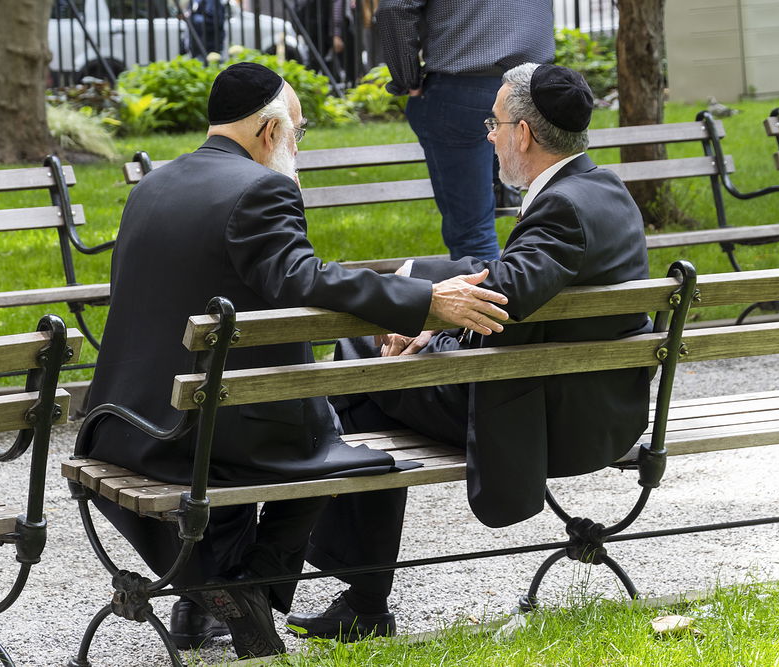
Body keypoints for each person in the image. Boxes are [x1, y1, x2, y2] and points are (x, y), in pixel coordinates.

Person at [82, 62, 509, 659]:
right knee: (348, 443)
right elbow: (300, 278)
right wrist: (425, 300)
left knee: (279, 424)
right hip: (209, 434)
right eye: (297, 135)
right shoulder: (262, 188)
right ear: (267, 131)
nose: (296, 149)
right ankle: (241, 585)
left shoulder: (152, 186)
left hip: (123, 428)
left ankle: (208, 593)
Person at [287, 63, 653, 641]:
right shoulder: (603, 189)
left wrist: (429, 317)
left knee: (358, 366)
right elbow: (518, 278)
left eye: (495, 123)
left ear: (524, 135)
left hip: (550, 423)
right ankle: (359, 591)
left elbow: (509, 292)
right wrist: (433, 314)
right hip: (602, 407)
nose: (489, 134)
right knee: (374, 359)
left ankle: (361, 592)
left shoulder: (561, 211)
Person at [375, 0, 555, 261]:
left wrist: (407, 80)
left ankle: (494, 299)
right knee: (553, 215)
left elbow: (394, 6)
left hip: (465, 84)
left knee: (472, 233)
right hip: (535, 86)